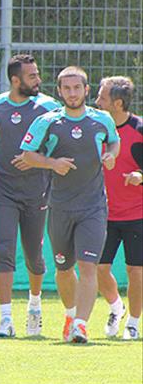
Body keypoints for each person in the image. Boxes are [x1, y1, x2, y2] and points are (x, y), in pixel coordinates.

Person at [21, 66, 120, 343]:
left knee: (88, 266)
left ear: (86, 90)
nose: (73, 93)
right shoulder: (47, 122)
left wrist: (111, 156)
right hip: (59, 206)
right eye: (67, 88)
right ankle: (70, 315)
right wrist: (52, 163)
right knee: (64, 269)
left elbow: (114, 142)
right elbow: (27, 154)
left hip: (93, 207)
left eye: (77, 88)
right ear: (60, 91)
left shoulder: (102, 120)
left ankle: (80, 325)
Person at [0, 54, 60, 337]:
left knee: (34, 256)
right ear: (15, 80)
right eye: (32, 76)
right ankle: (5, 319)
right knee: (4, 250)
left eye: (37, 74)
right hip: (2, 190)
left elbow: (58, 146)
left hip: (38, 191)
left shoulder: (49, 107)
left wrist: (38, 160)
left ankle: (34, 307)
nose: (38, 80)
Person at [95, 76, 142, 340]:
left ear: (118, 103)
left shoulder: (139, 129)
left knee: (136, 270)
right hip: (101, 214)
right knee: (98, 269)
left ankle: (133, 323)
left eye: (102, 97)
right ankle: (116, 308)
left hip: (137, 214)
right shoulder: (95, 128)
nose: (96, 102)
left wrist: (140, 176)